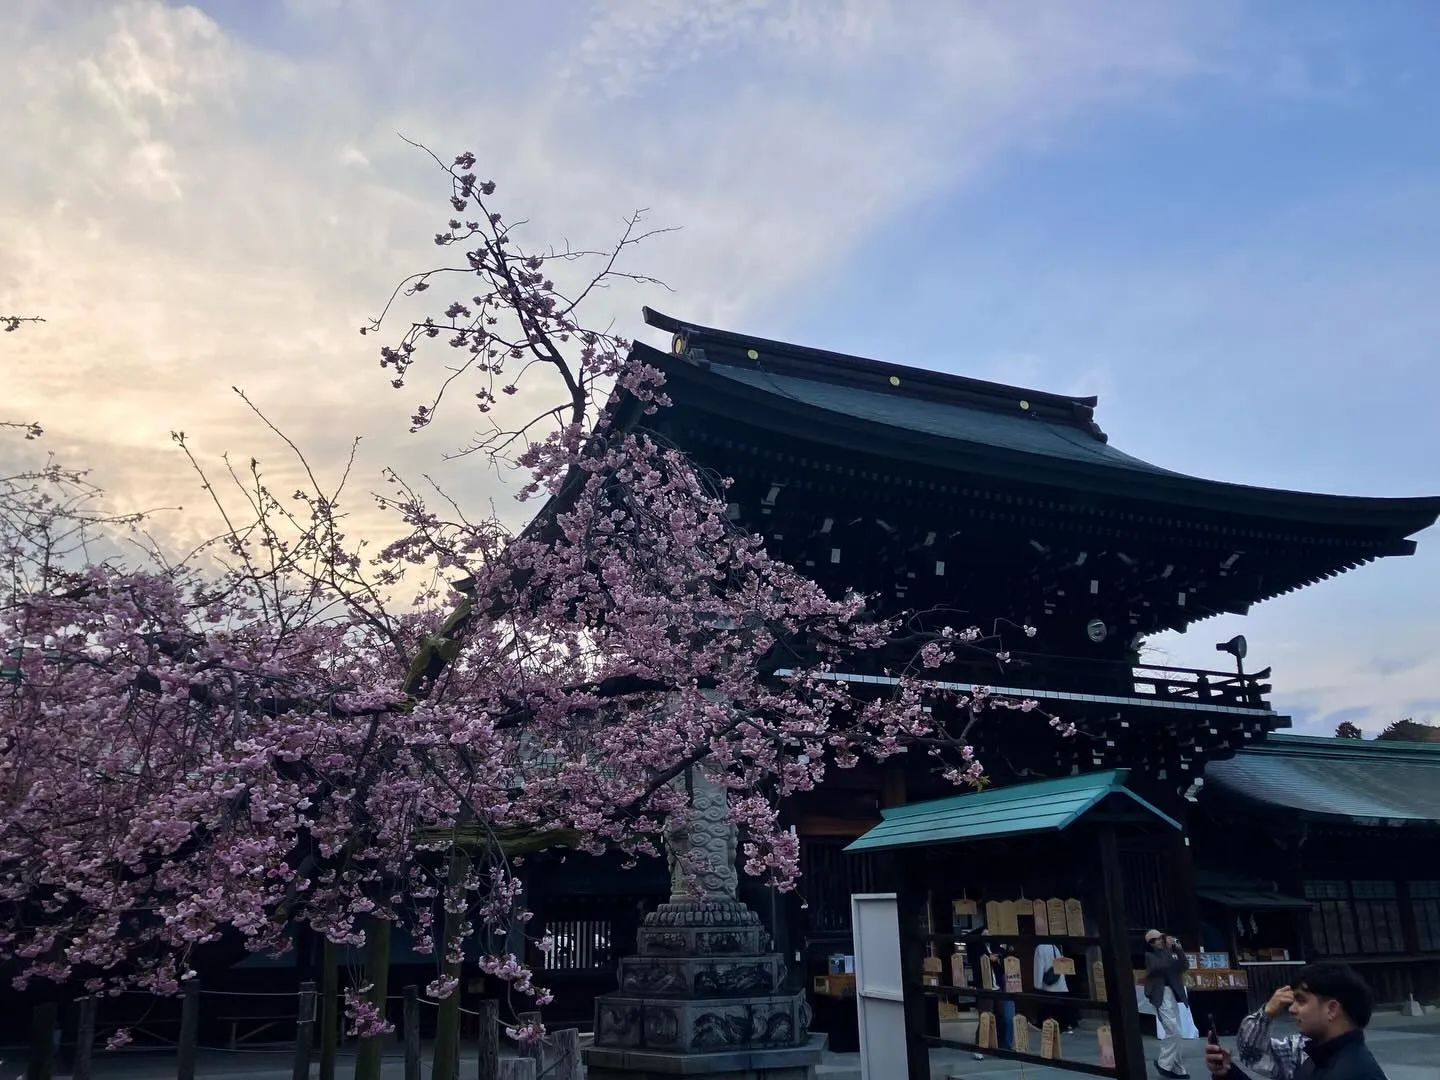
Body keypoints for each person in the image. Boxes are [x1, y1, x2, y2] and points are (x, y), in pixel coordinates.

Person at [1204, 963, 1388, 1080]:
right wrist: (1227, 1073)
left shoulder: (1352, 1072)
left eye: (1301, 1000)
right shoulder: (1315, 1056)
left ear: (1331, 1009)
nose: (1291, 1009)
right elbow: (1252, 1051)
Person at [1145, 928, 1191, 1079]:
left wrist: (1178, 948)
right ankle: (1164, 1063)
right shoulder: (1149, 955)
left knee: (1178, 1031)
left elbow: (1184, 966)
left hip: (1172, 993)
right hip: (1160, 994)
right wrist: (1169, 951)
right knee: (1173, 1031)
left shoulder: (1170, 953)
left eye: (1161, 938)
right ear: (1151, 942)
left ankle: (1177, 1068)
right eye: (1157, 939)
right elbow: (1160, 966)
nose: (1161, 941)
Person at [1034, 941, 1077, 1034]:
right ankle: (1065, 1026)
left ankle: (1042, 1024)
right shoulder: (1056, 946)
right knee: (1058, 1005)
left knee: (1046, 1005)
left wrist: (1037, 985)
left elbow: (1039, 966)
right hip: (1059, 980)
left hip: (1047, 983)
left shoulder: (1040, 947)